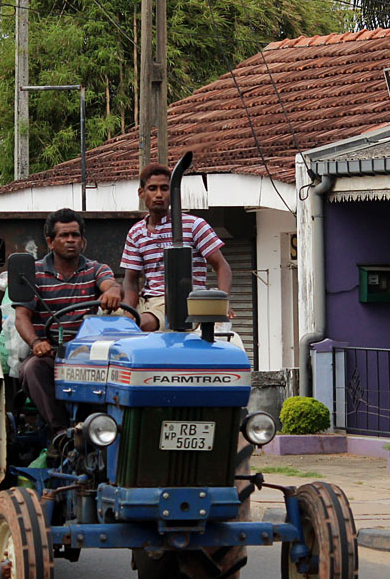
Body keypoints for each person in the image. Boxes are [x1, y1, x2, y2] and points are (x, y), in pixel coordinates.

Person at [14, 208, 122, 431]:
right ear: (50, 242)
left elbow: (110, 284)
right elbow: (21, 317)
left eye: (75, 235)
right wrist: (36, 343)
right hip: (51, 353)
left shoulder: (95, 269)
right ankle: (62, 433)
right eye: (64, 235)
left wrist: (112, 292)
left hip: (90, 356)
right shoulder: (34, 273)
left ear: (83, 241)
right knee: (32, 369)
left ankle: (106, 430)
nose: (71, 240)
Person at [120, 163, 234, 331]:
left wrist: (221, 302)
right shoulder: (136, 232)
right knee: (105, 317)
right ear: (141, 193)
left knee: (142, 323)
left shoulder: (193, 225)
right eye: (153, 188)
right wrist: (127, 314)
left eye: (164, 188)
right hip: (146, 301)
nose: (159, 194)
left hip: (182, 303)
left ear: (173, 193)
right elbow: (130, 281)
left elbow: (222, 266)